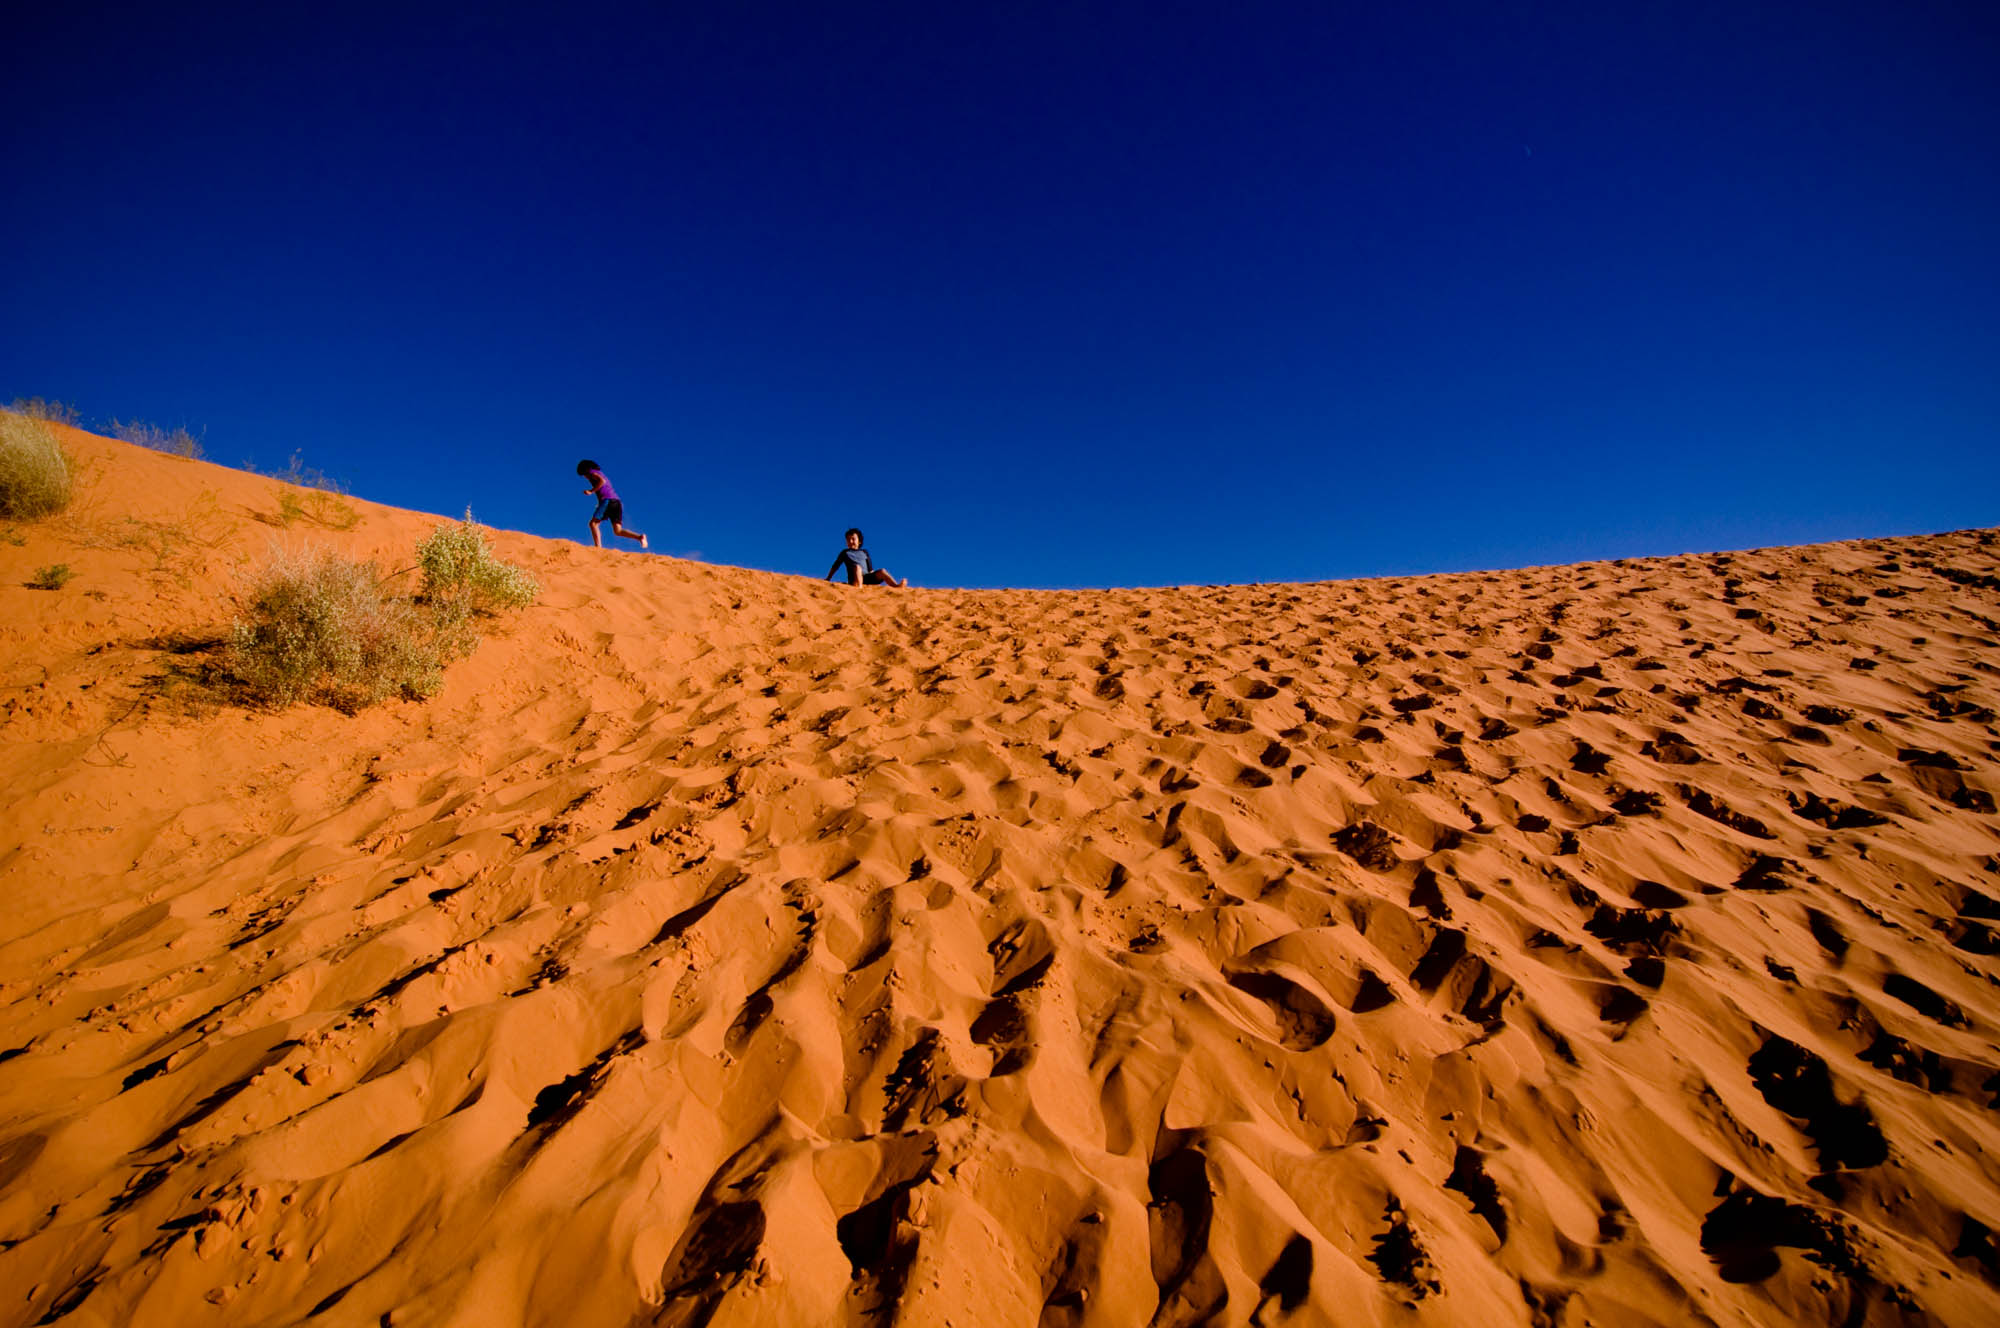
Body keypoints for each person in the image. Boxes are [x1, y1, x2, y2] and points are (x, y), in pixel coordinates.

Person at [576, 459, 648, 549]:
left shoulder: (592, 473)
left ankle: (598, 548)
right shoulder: (599, 472)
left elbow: (602, 482)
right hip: (616, 502)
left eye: (584, 474)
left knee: (593, 524)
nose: (585, 477)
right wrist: (599, 503)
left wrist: (591, 491)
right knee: (617, 531)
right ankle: (640, 537)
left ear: (585, 470)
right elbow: (604, 489)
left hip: (608, 501)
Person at [826, 527, 906, 587]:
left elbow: (870, 569)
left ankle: (896, 586)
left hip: (867, 578)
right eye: (848, 539)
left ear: (859, 541)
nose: (850, 541)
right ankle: (860, 590)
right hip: (854, 579)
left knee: (882, 571)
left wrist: (874, 578)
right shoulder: (845, 552)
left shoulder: (864, 552)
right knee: (858, 567)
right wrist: (828, 578)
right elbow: (835, 566)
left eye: (853, 539)